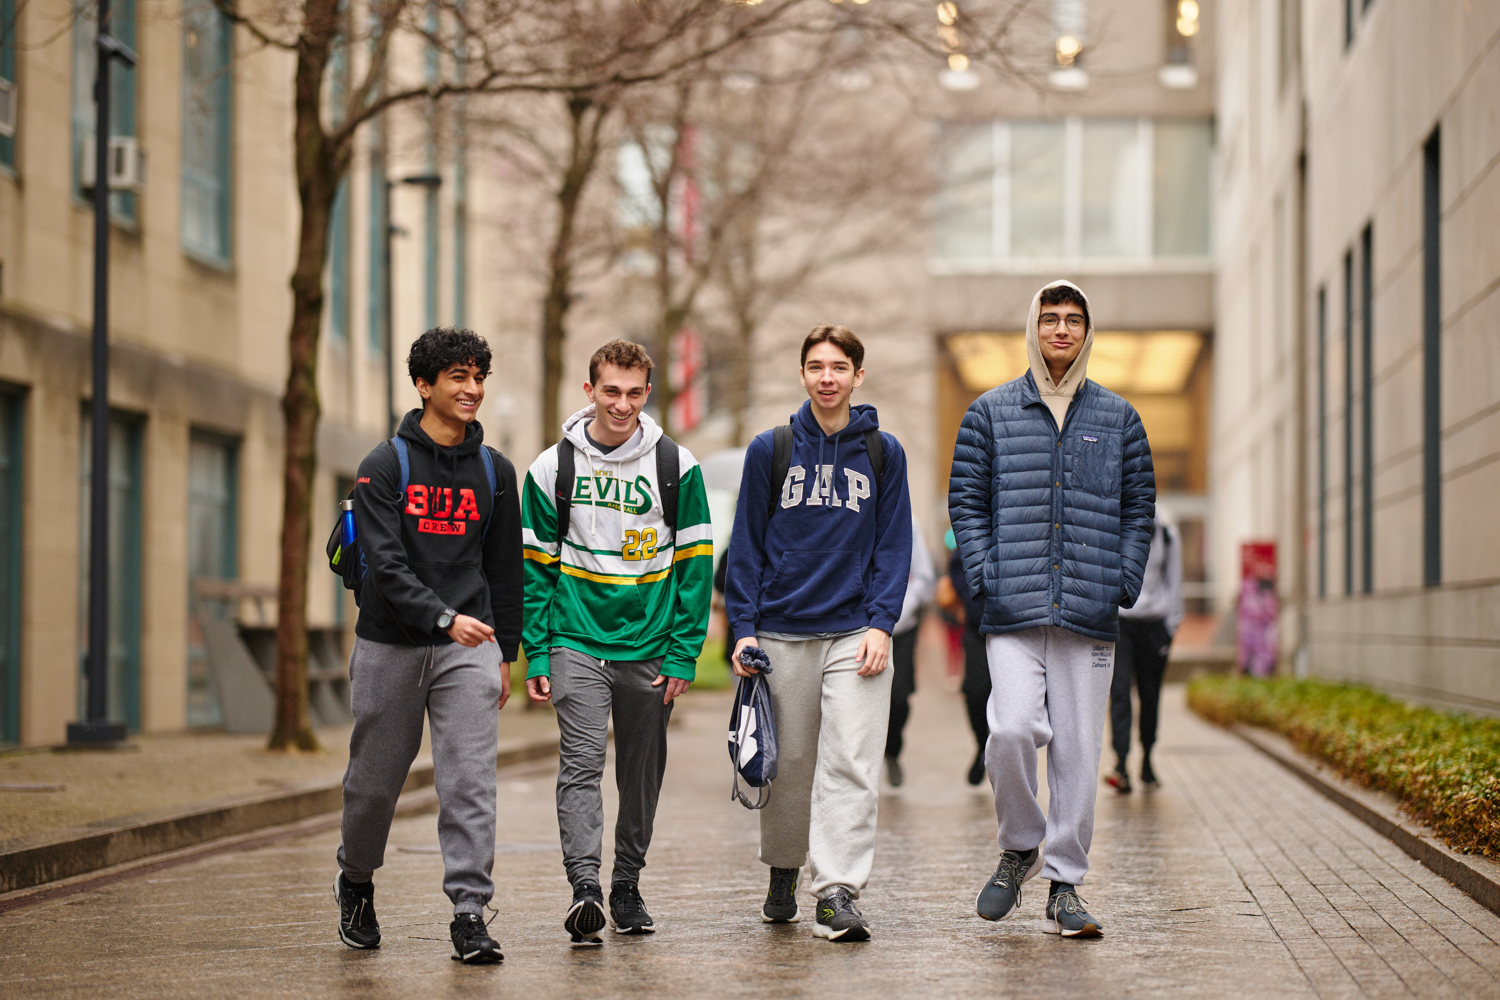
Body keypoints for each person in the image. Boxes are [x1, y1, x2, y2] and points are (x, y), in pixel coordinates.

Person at [949, 280, 1155, 939]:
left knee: (1077, 753)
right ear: (1032, 329)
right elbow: (967, 505)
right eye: (1050, 319)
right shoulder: (989, 413)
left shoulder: (1118, 418)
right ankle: (1020, 844)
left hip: (1089, 612)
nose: (1061, 330)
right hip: (1012, 608)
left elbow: (1138, 510)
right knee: (1010, 731)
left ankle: (1065, 885)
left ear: (1087, 332)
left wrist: (1122, 578)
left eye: (1073, 320)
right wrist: (985, 574)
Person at [333, 327, 521, 965]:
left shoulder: (496, 472)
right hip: (392, 642)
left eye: (478, 378)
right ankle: (356, 878)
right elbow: (384, 565)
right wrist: (443, 619)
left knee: (469, 782)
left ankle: (470, 911)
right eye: (458, 378)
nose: (472, 390)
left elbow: (504, 570)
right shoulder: (384, 465)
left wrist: (504, 653)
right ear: (424, 385)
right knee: (374, 784)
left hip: (470, 645)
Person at [520, 339, 714, 946]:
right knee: (581, 765)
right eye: (611, 391)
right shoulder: (551, 469)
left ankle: (626, 883)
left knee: (640, 773)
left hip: (650, 648)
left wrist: (683, 652)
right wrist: (538, 649)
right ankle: (585, 888)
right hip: (576, 639)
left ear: (647, 393)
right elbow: (535, 566)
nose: (622, 404)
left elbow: (696, 567)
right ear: (589, 391)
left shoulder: (676, 467)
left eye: (633, 393)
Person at [725, 324, 912, 943]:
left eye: (838, 367)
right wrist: (743, 630)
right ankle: (784, 868)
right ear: (802, 375)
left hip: (855, 631)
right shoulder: (769, 449)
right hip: (780, 630)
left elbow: (894, 546)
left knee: (853, 762)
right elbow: (746, 549)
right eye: (815, 366)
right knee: (792, 763)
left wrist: (883, 624)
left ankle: (836, 890)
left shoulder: (884, 453)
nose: (826, 377)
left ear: (859, 376)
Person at [1107, 515, 1183, 793]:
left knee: (1150, 695)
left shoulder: (1167, 533)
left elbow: (1175, 582)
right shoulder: (1112, 524)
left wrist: (1170, 629)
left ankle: (1147, 759)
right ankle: (1121, 763)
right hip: (1120, 625)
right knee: (1119, 692)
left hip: (1153, 627)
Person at [884, 515, 936, 787]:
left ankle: (891, 751)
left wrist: (898, 613)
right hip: (857, 626)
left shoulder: (910, 522)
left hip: (901, 626)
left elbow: (923, 578)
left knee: (898, 698)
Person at [938, 536, 991, 786]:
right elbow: (957, 566)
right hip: (977, 627)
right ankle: (983, 747)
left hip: (1017, 627)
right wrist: (973, 600)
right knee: (975, 691)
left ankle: (1002, 755)